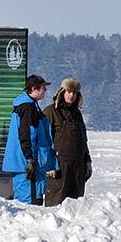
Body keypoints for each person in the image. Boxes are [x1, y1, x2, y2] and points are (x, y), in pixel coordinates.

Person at [2, 74, 56, 204]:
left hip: (26, 164)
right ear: (33, 89)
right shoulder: (28, 108)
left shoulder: (29, 106)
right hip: (26, 166)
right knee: (29, 204)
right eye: (43, 87)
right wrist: (30, 160)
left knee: (31, 199)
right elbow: (27, 136)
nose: (46, 90)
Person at [43, 77, 92, 205]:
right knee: (56, 203)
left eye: (75, 93)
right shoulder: (50, 112)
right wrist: (48, 164)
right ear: (62, 92)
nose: (72, 95)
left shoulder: (77, 114)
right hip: (59, 167)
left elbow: (83, 140)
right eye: (69, 92)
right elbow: (44, 141)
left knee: (75, 206)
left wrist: (87, 161)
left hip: (77, 167)